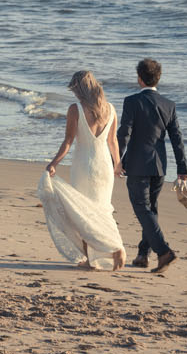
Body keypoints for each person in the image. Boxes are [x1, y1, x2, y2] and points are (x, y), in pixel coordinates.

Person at [37, 70, 126, 271]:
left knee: (82, 212)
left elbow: (68, 141)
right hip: (104, 165)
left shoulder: (75, 109)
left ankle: (92, 258)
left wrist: (54, 163)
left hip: (83, 165)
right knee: (103, 209)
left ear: (79, 89)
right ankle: (117, 248)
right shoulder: (110, 109)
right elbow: (113, 142)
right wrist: (117, 163)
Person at [115, 57, 187, 274]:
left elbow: (124, 133)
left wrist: (115, 160)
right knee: (151, 210)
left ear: (139, 79)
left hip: (137, 165)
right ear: (158, 78)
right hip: (159, 166)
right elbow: (177, 139)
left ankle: (164, 252)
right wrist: (182, 169)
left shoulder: (131, 102)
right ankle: (142, 255)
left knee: (142, 209)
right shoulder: (168, 105)